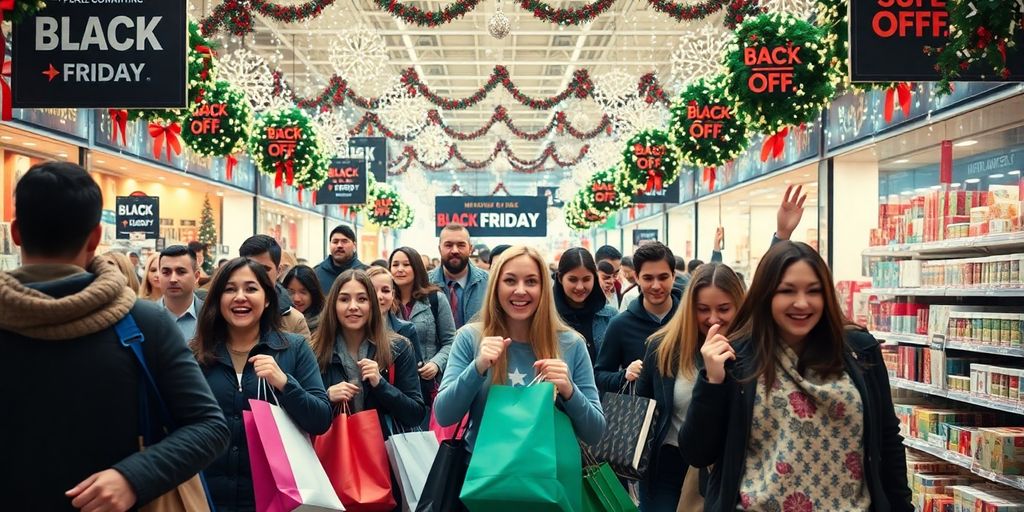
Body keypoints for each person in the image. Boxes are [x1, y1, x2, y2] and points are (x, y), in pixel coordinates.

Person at [2, 161, 229, 511]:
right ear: (95, 237)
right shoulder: (143, 322)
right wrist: (133, 478)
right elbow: (209, 426)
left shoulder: (142, 321)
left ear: (16, 232)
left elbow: (209, 427)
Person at [679, 242, 913, 512]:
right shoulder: (737, 357)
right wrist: (712, 382)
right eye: (787, 291)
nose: (802, 303)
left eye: (813, 291)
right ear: (766, 295)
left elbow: (888, 439)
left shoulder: (859, 350)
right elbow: (697, 452)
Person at [193, 257, 332, 511]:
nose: (240, 297)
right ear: (217, 299)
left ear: (267, 299)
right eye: (230, 289)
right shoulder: (196, 354)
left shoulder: (293, 348)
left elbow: (321, 419)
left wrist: (285, 384)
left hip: (274, 499)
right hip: (206, 498)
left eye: (251, 288)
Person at [434, 246, 606, 450]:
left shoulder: (571, 343)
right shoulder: (469, 338)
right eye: (510, 280)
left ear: (544, 288)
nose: (521, 290)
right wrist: (477, 367)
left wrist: (569, 390)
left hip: (550, 477)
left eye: (531, 281)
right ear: (496, 286)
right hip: (484, 475)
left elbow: (595, 433)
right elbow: (444, 415)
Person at [636, 262, 745, 510]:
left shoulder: (748, 351)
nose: (713, 318)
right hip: (666, 465)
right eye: (703, 309)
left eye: (724, 309)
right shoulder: (663, 347)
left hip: (722, 468)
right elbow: (642, 405)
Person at [311, 270, 427, 434]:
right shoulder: (315, 351)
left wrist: (381, 385)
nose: (353, 307)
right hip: (333, 451)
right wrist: (327, 397)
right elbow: (306, 417)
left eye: (362, 299)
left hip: (383, 453)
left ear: (372, 304)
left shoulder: (399, 348)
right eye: (344, 299)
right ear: (333, 305)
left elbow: (415, 414)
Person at [595, 242, 679, 393]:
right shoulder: (620, 325)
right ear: (637, 278)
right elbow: (600, 375)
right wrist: (625, 375)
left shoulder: (689, 320)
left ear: (673, 276)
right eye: (648, 278)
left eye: (663, 277)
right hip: (640, 413)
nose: (656, 286)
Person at [391, 246, 457, 405]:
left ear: (416, 268)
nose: (400, 269)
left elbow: (450, 341)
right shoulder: (384, 301)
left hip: (428, 383)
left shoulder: (435, 299)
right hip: (394, 385)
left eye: (406, 264)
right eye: (395, 265)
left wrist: (436, 363)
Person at [553, 247, 619, 366]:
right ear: (560, 278)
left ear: (594, 278)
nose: (580, 287)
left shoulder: (610, 317)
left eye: (586, 279)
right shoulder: (547, 317)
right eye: (572, 280)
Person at [239, 235, 312, 340]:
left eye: (265, 269)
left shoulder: (294, 321)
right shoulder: (223, 311)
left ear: (278, 271)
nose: (257, 275)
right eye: (250, 268)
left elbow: (304, 356)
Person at [429, 223, 489, 328]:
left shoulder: (489, 283)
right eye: (448, 245)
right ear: (439, 249)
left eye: (461, 245)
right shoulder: (424, 284)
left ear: (470, 249)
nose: (455, 250)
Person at [367, 266, 424, 365]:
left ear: (392, 295)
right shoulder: (353, 331)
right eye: (372, 290)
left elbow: (415, 375)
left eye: (385, 290)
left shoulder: (407, 330)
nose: (379, 296)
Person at [158, 245, 203, 342]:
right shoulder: (144, 317)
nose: (173, 279)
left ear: (196, 276)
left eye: (181, 272)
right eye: (166, 272)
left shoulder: (212, 316)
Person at [315, 225, 368, 295]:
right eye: (335, 242)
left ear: (354, 245)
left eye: (344, 241)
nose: (339, 245)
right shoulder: (316, 274)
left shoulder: (366, 273)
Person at [283, 265, 325, 333]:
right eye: (291, 292)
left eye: (303, 292)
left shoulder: (327, 322)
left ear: (313, 293)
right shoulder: (279, 321)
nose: (297, 299)